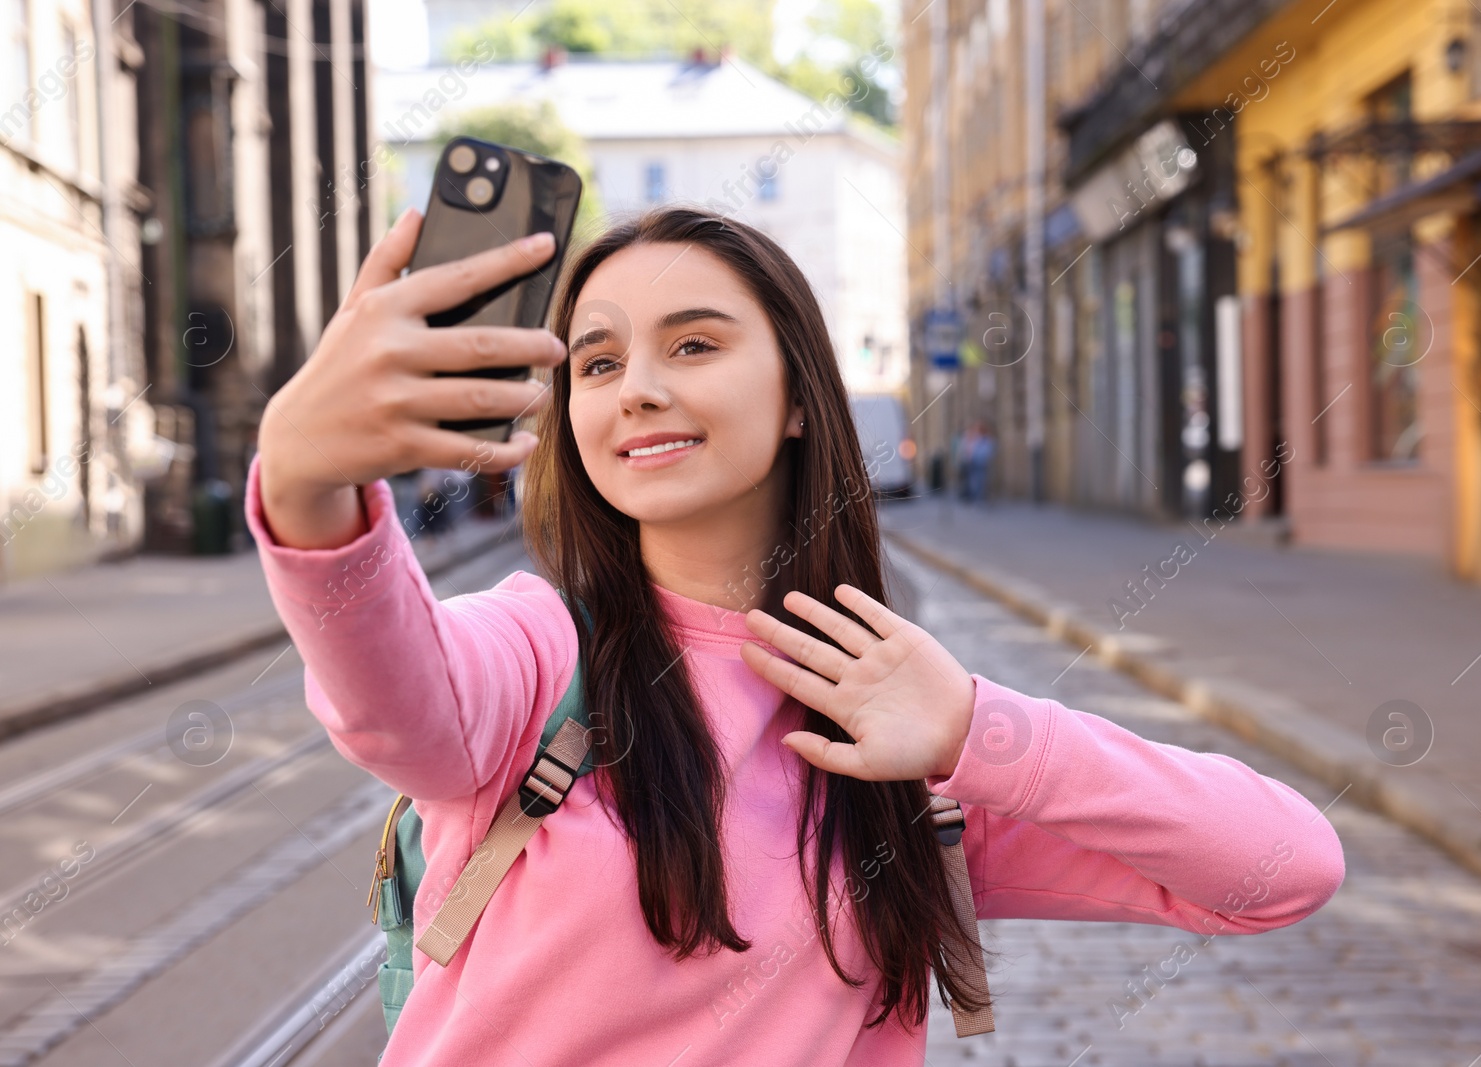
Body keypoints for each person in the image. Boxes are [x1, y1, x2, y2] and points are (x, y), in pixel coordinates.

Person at [248, 205, 1345, 1066]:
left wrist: (974, 723)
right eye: (595, 362)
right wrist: (306, 489)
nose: (637, 389)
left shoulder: (898, 735)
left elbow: (1283, 863)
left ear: (794, 397)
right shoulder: (540, 653)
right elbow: (401, 715)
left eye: (692, 343)